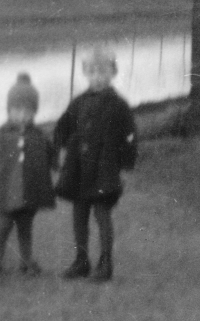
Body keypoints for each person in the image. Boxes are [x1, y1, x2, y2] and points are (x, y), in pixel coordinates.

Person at [53, 49, 137, 282]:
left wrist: (126, 167)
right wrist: (60, 150)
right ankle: (81, 261)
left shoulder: (119, 105)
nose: (97, 77)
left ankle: (105, 263)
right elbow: (62, 128)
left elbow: (130, 137)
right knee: (79, 215)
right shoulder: (78, 102)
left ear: (112, 74)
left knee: (102, 215)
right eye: (92, 72)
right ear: (85, 74)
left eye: (102, 72)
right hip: (79, 170)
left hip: (105, 172)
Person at [0, 72, 56, 275]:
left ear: (34, 113)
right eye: (17, 110)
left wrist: (57, 164)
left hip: (28, 194)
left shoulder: (38, 135)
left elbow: (50, 153)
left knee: (25, 229)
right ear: (9, 110)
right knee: (2, 227)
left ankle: (26, 261)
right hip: (4, 193)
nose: (22, 116)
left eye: (28, 112)